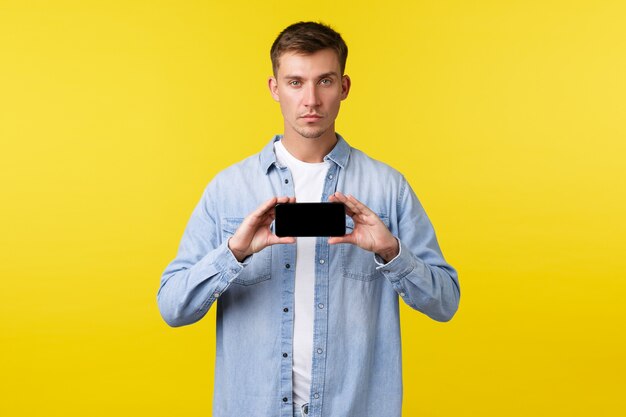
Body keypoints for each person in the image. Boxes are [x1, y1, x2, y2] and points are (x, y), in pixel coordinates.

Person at [157, 21, 460, 417]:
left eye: (325, 81)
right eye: (296, 82)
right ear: (274, 88)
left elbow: (445, 302)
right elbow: (173, 307)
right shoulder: (228, 189)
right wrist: (234, 253)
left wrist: (390, 251)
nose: (311, 99)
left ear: (345, 87)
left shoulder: (388, 188)